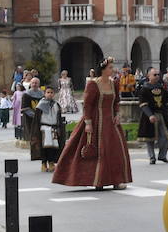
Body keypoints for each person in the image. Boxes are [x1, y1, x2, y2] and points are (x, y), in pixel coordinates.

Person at [53, 57, 132, 189]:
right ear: (103, 69)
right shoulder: (93, 84)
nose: (113, 70)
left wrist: (117, 114)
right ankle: (98, 181)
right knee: (97, 151)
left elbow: (116, 101)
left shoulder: (114, 83)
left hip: (111, 123)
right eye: (110, 68)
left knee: (115, 150)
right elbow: (87, 105)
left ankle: (116, 180)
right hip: (96, 121)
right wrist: (88, 123)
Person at [137, 67, 168, 165]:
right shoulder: (144, 89)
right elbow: (143, 104)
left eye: (158, 74)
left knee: (166, 136)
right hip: (149, 116)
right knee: (150, 138)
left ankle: (162, 156)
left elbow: (166, 102)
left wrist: (166, 112)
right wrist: (150, 115)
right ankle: (152, 157)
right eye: (154, 75)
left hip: (161, 115)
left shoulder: (162, 88)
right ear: (148, 76)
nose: (157, 76)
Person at [35, 92, 65, 172]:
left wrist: (59, 128)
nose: (50, 94)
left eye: (52, 93)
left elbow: (58, 117)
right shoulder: (41, 105)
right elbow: (37, 118)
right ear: (45, 94)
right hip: (44, 128)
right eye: (48, 92)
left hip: (53, 128)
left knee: (53, 147)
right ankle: (44, 163)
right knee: (44, 147)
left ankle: (51, 162)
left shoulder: (56, 105)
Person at [21, 77, 46, 162]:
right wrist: (35, 116)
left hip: (41, 118)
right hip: (30, 119)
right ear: (30, 84)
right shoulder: (26, 95)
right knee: (33, 136)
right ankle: (34, 154)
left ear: (39, 84)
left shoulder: (42, 94)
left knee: (41, 135)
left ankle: (41, 153)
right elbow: (25, 108)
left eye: (36, 83)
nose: (34, 84)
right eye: (33, 83)